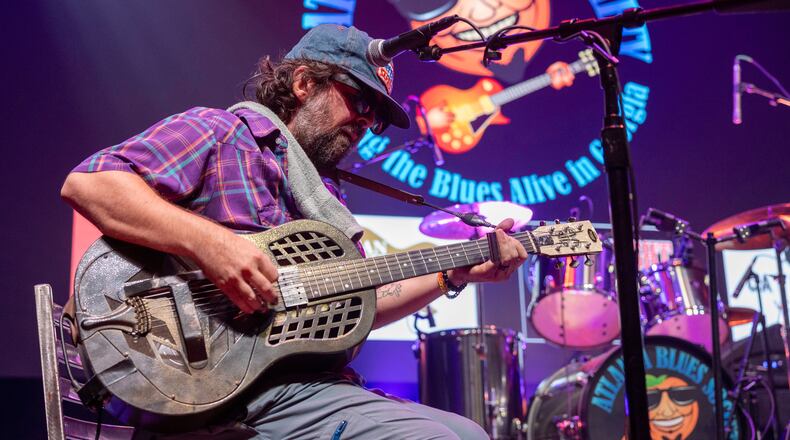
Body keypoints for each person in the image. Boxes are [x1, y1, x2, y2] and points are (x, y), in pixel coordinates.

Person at [61, 24, 527, 439]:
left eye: (376, 118)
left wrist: (452, 273)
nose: (367, 121)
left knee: (468, 431)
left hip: (304, 389)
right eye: (360, 101)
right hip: (222, 387)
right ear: (304, 83)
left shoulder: (323, 196)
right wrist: (211, 244)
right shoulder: (223, 132)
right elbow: (91, 185)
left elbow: (357, 303)